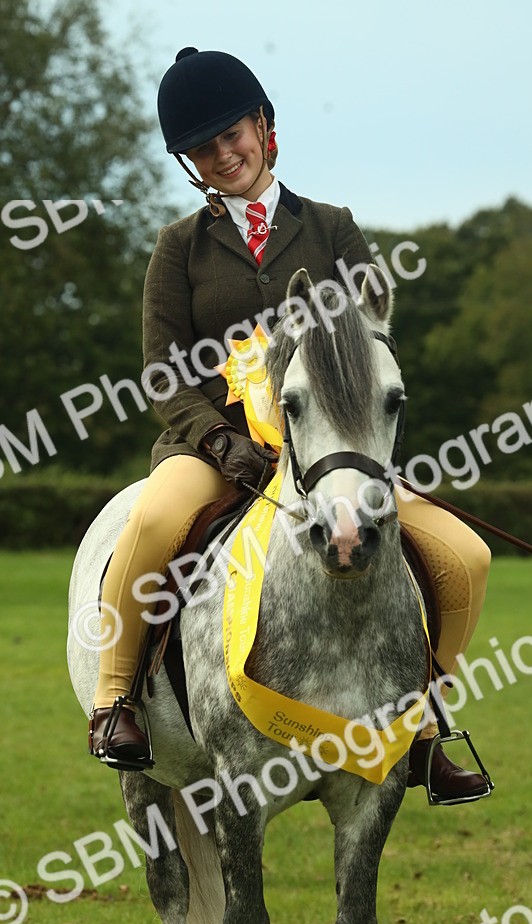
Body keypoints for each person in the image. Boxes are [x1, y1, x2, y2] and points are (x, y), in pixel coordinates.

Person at [89, 47, 491, 801]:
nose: (222, 154)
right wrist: (218, 440)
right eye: (203, 149)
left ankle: (426, 725)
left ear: (264, 127)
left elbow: (376, 342)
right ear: (192, 163)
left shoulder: (333, 229)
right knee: (150, 524)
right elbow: (161, 372)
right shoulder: (178, 249)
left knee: (464, 557)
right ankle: (117, 703)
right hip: (215, 447)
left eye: (232, 135)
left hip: (331, 449)